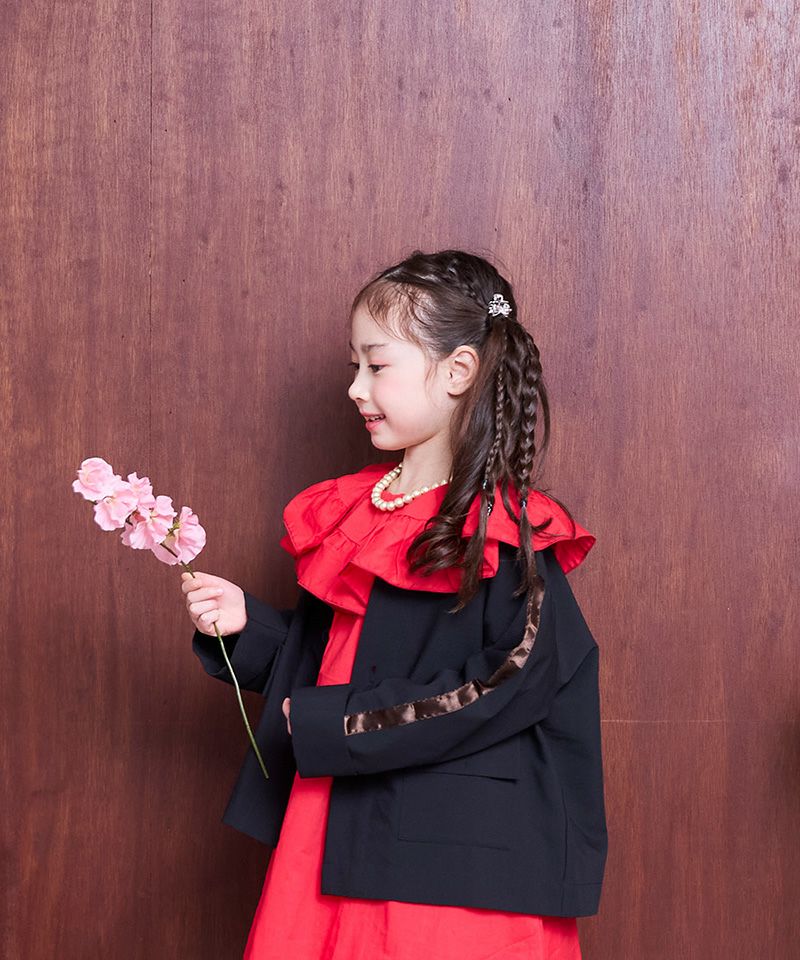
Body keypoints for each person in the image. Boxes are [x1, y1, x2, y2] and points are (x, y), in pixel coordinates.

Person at [182, 249, 607, 959]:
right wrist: (250, 630)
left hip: (446, 859)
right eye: (354, 366)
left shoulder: (503, 529)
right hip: (337, 822)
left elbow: (514, 679)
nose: (355, 387)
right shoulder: (360, 509)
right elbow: (350, 657)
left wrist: (337, 721)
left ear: (458, 371)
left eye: (376, 366)